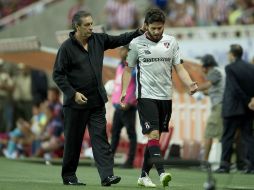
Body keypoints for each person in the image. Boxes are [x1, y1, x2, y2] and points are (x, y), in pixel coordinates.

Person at [52, 10, 146, 186]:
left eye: (91, 24)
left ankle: (106, 176)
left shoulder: (98, 40)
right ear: (77, 27)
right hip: (75, 104)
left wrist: (138, 32)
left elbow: (119, 39)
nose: (90, 27)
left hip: (96, 102)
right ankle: (69, 176)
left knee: (100, 139)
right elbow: (57, 75)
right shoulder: (66, 48)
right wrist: (72, 94)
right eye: (86, 25)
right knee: (73, 141)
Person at [120, 8, 198, 188]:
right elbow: (127, 69)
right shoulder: (136, 43)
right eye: (153, 28)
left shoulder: (171, 42)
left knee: (154, 138)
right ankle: (162, 173)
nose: (157, 32)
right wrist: (125, 90)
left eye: (160, 28)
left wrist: (189, 83)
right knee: (153, 134)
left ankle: (143, 176)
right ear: (146, 26)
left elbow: (179, 67)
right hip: (146, 96)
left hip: (165, 97)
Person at [216, 44, 254, 174]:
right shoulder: (251, 67)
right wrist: (251, 100)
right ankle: (251, 166)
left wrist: (247, 100)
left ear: (232, 54)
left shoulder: (229, 68)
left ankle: (224, 166)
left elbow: (235, 88)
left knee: (227, 137)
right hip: (248, 109)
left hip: (232, 109)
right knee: (248, 138)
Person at [110, 45, 137, 169]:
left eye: (123, 49)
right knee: (114, 133)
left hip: (128, 106)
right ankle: (109, 160)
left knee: (131, 134)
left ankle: (130, 161)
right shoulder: (120, 65)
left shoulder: (134, 66)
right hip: (117, 106)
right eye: (120, 49)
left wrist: (130, 101)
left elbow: (137, 84)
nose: (121, 51)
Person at [198, 54, 225, 161]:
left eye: (202, 66)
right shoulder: (220, 71)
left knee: (208, 133)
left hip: (218, 107)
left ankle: (205, 162)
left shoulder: (214, 71)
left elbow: (208, 84)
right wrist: (204, 93)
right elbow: (213, 90)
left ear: (207, 65)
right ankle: (229, 162)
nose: (202, 69)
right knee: (223, 135)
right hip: (222, 105)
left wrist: (194, 88)